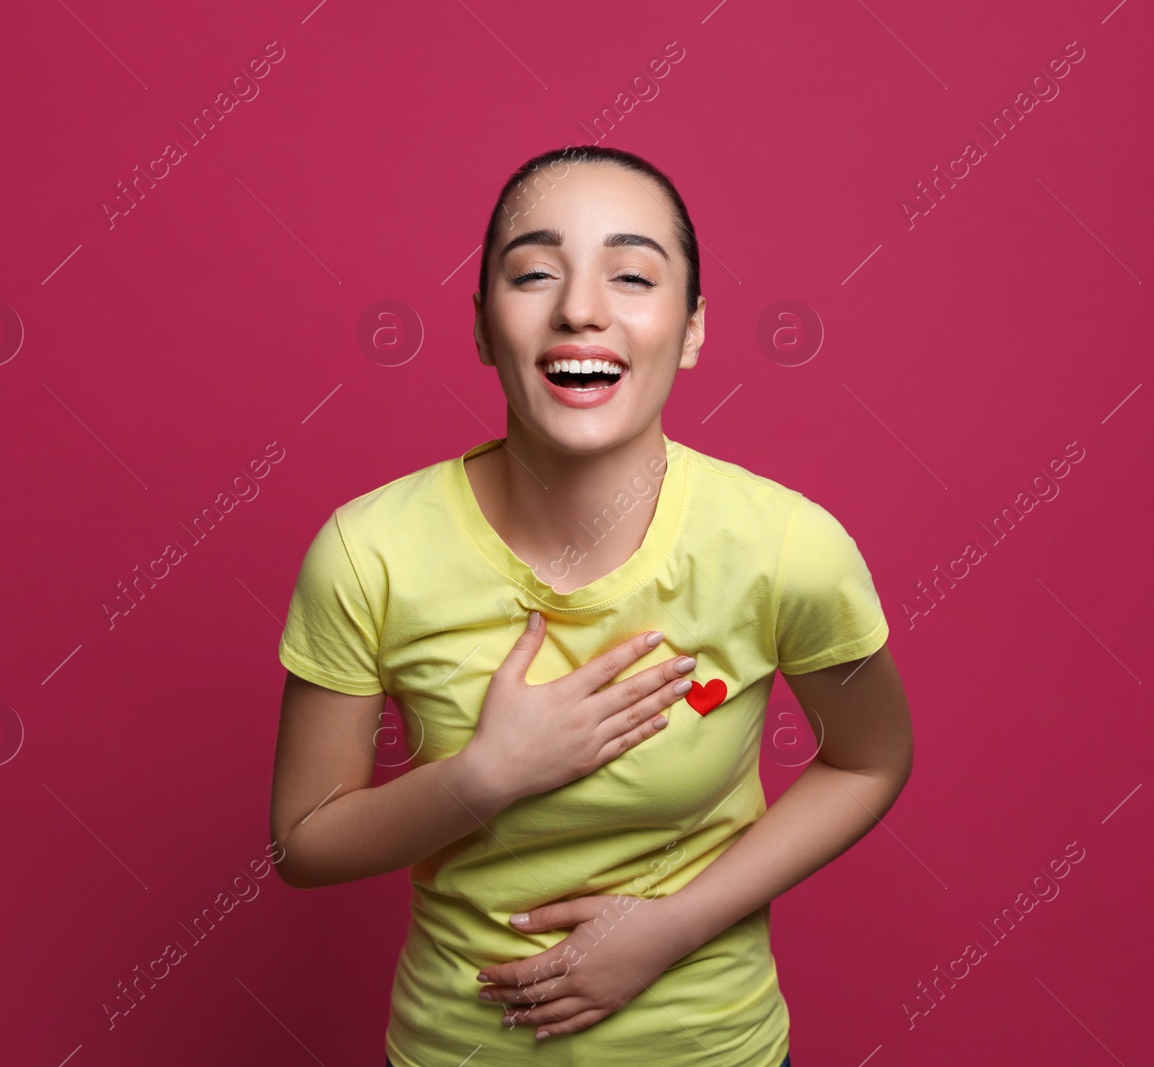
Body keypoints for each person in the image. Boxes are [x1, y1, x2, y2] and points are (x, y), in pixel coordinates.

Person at [268, 144, 913, 1067]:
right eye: (534, 273)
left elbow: (870, 760)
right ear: (486, 327)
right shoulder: (367, 551)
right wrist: (485, 776)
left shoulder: (786, 547)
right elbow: (301, 843)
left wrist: (672, 926)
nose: (580, 307)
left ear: (691, 330)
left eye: (632, 274)